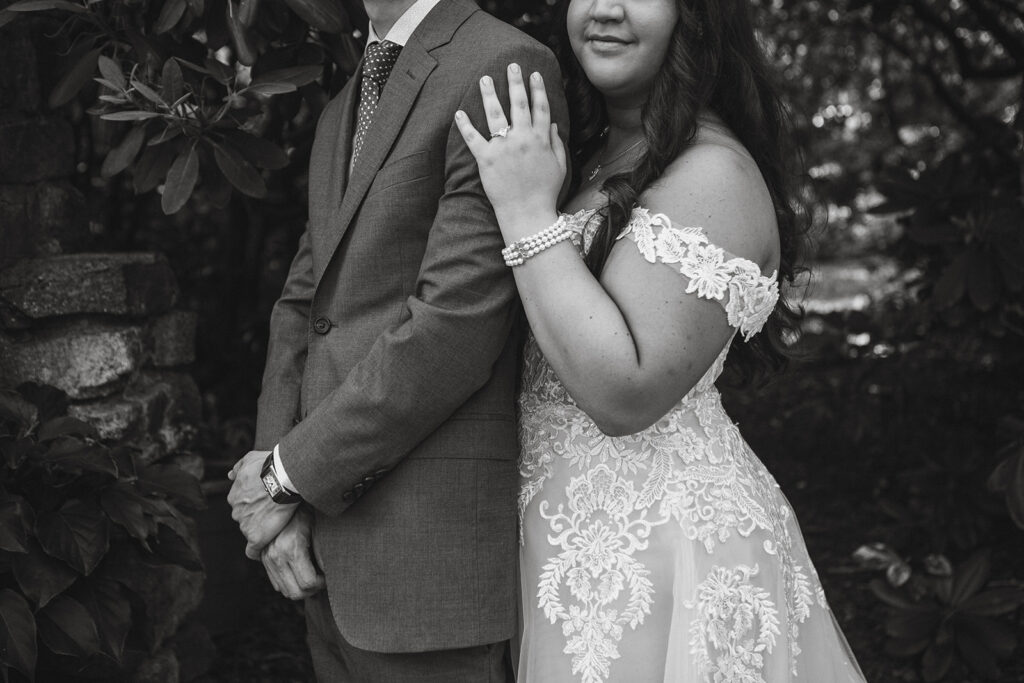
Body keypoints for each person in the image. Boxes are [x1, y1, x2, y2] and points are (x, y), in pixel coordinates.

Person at [453, 0, 868, 680]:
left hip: (659, 559)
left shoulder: (714, 175)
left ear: (694, 14)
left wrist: (526, 211)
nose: (606, 9)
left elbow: (624, 392)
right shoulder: (589, 150)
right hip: (563, 543)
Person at [226, 0, 569, 679]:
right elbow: (304, 302)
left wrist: (285, 476)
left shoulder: (501, 63)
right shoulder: (341, 109)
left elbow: (456, 324)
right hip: (320, 556)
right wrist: (277, 487)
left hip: (427, 571)